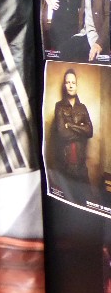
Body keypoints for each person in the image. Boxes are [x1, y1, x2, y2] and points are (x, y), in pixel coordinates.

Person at [49, 68, 94, 200]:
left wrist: (70, 125)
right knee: (68, 201)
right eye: (68, 82)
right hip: (65, 166)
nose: (70, 85)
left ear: (76, 85)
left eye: (73, 82)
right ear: (64, 85)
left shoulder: (83, 108)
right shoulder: (59, 106)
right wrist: (81, 129)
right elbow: (62, 134)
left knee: (84, 200)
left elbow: (90, 131)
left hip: (81, 166)